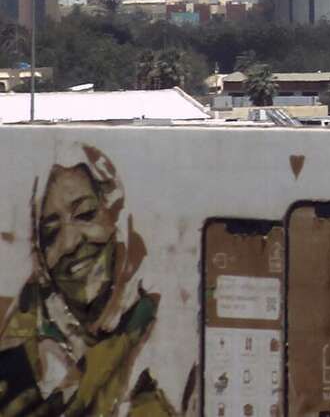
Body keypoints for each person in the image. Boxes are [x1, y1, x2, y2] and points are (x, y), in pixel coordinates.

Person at [0, 146, 194, 417]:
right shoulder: (24, 335)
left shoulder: (168, 321)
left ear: (114, 212)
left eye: (86, 214)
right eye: (51, 232)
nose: (69, 243)